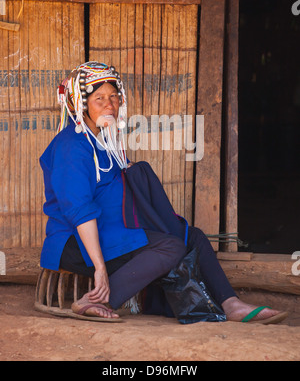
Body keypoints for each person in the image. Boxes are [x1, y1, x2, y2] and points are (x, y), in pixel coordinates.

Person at [39, 61, 288, 324]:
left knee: (193, 237)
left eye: (114, 96)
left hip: (109, 231)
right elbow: (79, 211)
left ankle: (231, 303)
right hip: (76, 242)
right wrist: (100, 267)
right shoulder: (71, 146)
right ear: (80, 103)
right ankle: (96, 300)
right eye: (99, 98)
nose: (109, 104)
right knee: (171, 246)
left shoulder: (105, 142)